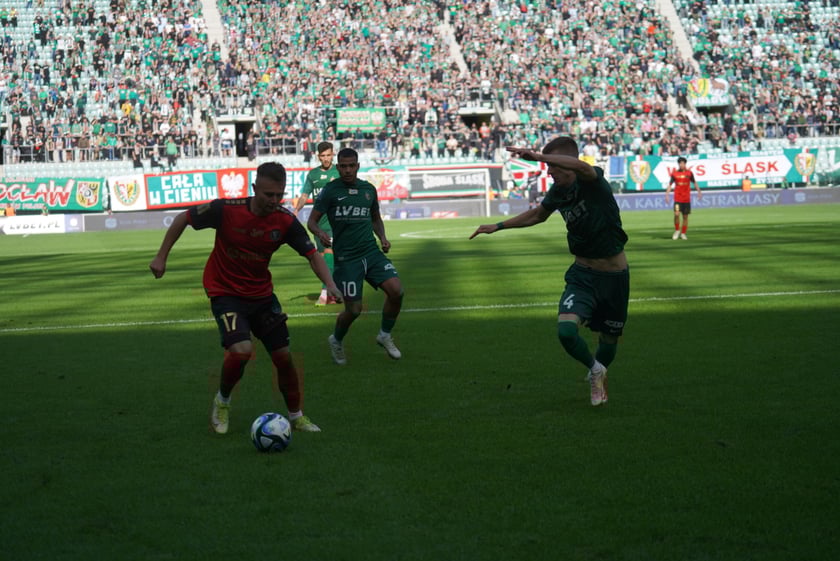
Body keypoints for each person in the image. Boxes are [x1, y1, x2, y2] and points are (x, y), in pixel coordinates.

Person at [149, 162, 342, 434]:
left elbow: (312, 255)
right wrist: (161, 256)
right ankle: (222, 401)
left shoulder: (285, 221)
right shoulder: (226, 209)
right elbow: (184, 218)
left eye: (279, 195)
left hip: (261, 295)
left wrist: (330, 283)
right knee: (242, 351)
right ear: (254, 189)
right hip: (225, 292)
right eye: (268, 195)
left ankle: (296, 416)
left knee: (283, 356)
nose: (274, 201)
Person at [470, 137, 629, 407]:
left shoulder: (592, 181)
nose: (549, 172)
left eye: (553, 166)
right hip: (582, 273)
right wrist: (498, 226)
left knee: (609, 337)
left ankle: (598, 372)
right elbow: (537, 216)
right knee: (566, 331)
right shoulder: (558, 192)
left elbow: (579, 166)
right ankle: (595, 369)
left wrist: (539, 156)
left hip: (614, 276)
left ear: (565, 164)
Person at [307, 148, 404, 365]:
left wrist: (383, 237)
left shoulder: (368, 190)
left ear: (358, 166)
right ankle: (336, 339)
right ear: (338, 166)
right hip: (347, 258)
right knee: (354, 310)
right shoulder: (331, 191)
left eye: (352, 165)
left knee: (397, 291)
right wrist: (320, 233)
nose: (348, 170)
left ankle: (385, 335)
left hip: (371, 252)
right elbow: (311, 221)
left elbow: (375, 218)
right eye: (343, 166)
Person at [294, 142, 340, 306]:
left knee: (329, 253)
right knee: (321, 259)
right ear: (318, 156)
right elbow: (305, 195)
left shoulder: (339, 171)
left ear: (333, 154)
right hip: (318, 222)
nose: (326, 158)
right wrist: (297, 210)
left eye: (328, 155)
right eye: (323, 156)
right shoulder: (313, 175)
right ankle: (333, 293)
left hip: (335, 221)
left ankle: (324, 294)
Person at [665, 157, 702, 240]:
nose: (682, 165)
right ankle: (677, 230)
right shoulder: (674, 174)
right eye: (680, 163)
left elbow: (694, 182)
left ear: (685, 164)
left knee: (685, 217)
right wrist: (667, 194)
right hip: (678, 198)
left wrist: (699, 191)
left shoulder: (689, 173)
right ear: (678, 164)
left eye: (683, 163)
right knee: (676, 214)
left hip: (686, 199)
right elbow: (670, 184)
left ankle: (683, 233)